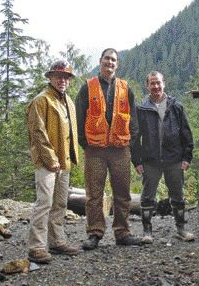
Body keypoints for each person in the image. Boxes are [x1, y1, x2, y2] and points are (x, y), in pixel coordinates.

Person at [75, 48, 142, 250]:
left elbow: (134, 120)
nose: (110, 63)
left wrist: (129, 144)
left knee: (122, 193)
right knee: (94, 194)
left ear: (117, 64)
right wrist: (85, 144)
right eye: (107, 59)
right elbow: (79, 117)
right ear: (100, 61)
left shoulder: (125, 88)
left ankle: (122, 232)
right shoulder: (88, 87)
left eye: (113, 60)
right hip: (95, 149)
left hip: (120, 149)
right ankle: (94, 233)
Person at [26, 60, 80, 264]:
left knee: (60, 204)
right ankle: (36, 247)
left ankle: (57, 242)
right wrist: (51, 159)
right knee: (44, 203)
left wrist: (71, 159)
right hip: (46, 163)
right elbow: (37, 133)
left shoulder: (69, 102)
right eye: (58, 76)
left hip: (64, 162)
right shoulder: (41, 101)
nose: (62, 80)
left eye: (66, 77)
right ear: (50, 77)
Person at [132, 71, 195, 243]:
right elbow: (135, 137)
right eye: (152, 83)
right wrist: (136, 161)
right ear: (147, 86)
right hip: (150, 160)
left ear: (164, 84)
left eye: (158, 82)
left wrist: (187, 157)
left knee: (178, 195)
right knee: (147, 197)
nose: (156, 86)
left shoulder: (176, 106)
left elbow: (186, 133)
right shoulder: (141, 109)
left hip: (174, 159)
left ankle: (181, 229)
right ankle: (147, 232)